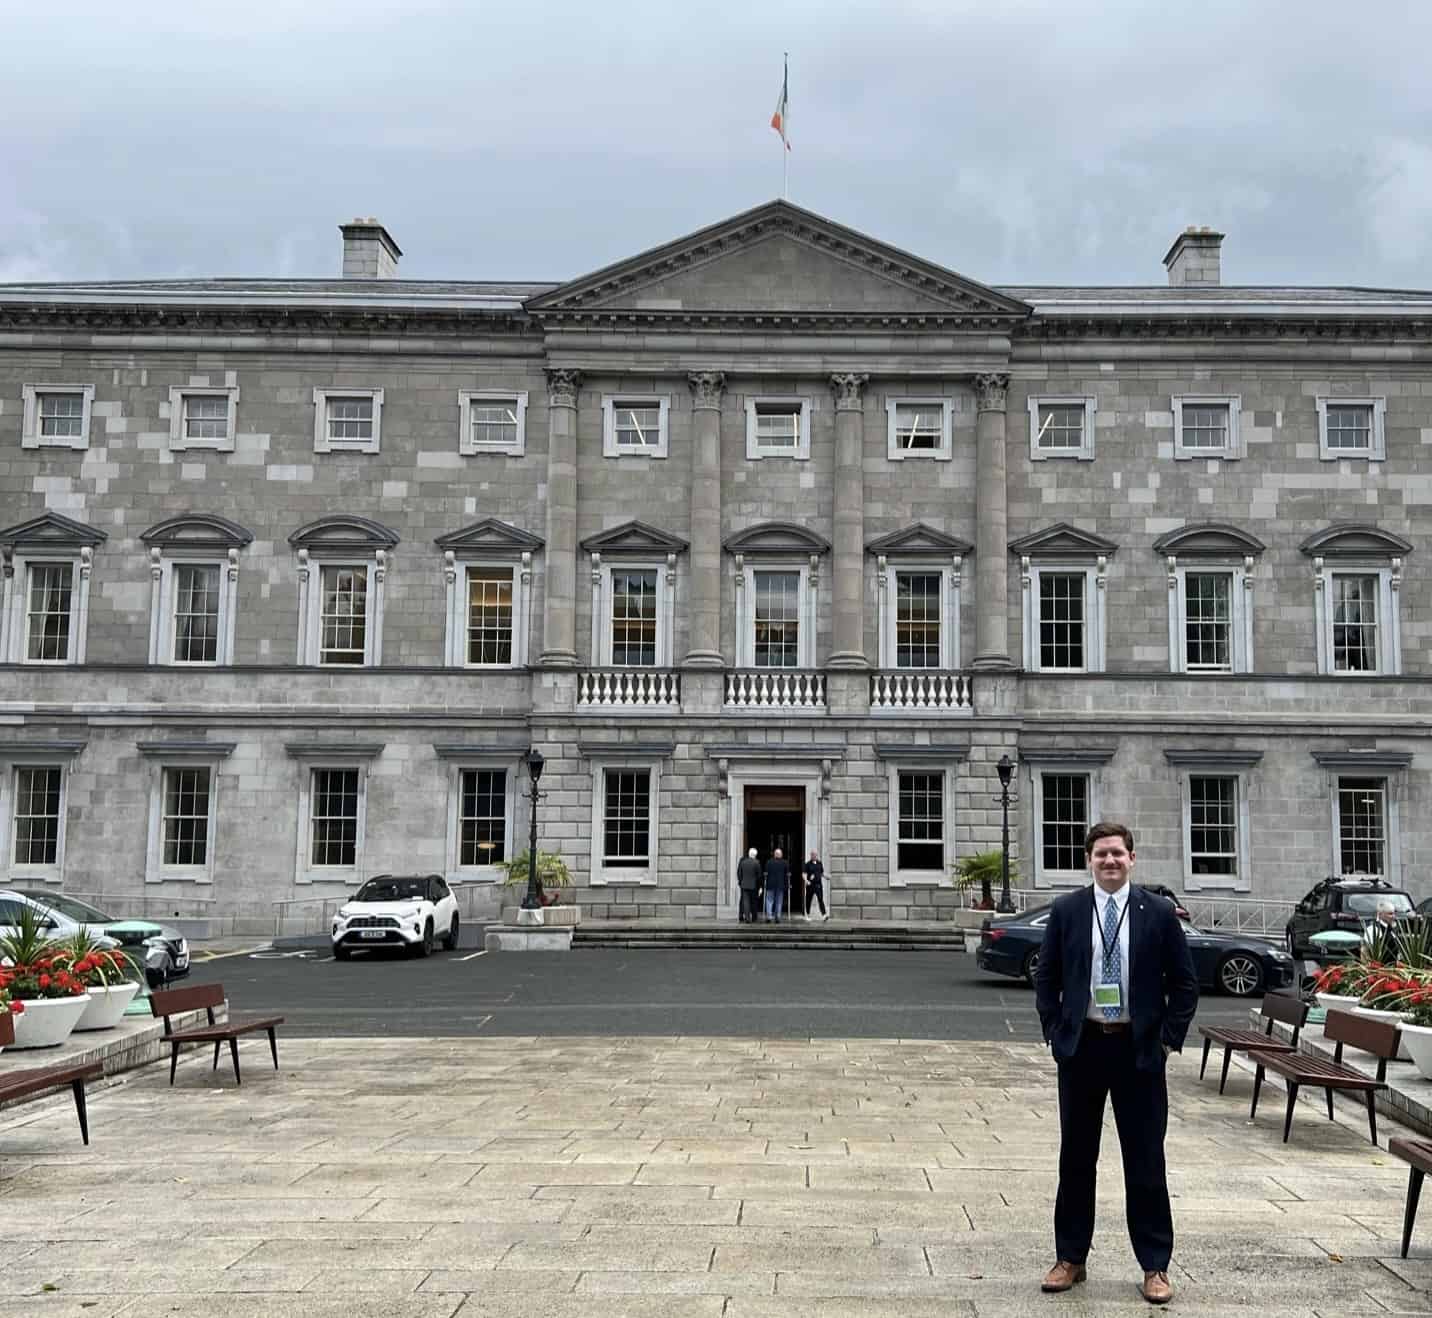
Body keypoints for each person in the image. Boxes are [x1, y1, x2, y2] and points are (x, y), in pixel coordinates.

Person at [1033, 822, 1199, 1306]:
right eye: (1101, 854)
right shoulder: (1068, 910)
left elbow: (1184, 985)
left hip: (1139, 1051)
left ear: (1132, 859)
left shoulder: (1158, 912)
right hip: (1083, 1048)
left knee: (1146, 1160)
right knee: (1076, 1158)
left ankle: (1154, 1266)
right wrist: (1054, 1031)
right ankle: (1070, 1258)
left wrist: (1167, 1041)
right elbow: (1048, 977)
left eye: (1118, 854)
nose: (1110, 861)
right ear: (1089, 859)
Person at [736, 847, 762, 924]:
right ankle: (754, 917)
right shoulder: (757, 863)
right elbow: (759, 876)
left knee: (745, 902)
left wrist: (741, 882)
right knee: (753, 901)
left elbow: (739, 874)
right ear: (755, 855)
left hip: (744, 885)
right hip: (753, 885)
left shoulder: (743, 862)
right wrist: (760, 886)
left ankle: (747, 918)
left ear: (749, 854)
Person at [763, 848, 789, 923]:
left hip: (770, 884)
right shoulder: (785, 862)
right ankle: (777, 916)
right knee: (779, 901)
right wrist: (787, 885)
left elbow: (765, 873)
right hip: (780, 885)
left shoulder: (769, 862)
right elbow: (786, 875)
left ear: (774, 854)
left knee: (769, 900)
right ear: (781, 855)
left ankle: (769, 916)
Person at [803, 850, 827, 919]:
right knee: (808, 900)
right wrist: (806, 880)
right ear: (811, 855)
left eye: (815, 855)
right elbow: (804, 874)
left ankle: (824, 915)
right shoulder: (807, 864)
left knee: (820, 899)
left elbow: (821, 873)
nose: (814, 856)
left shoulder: (819, 863)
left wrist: (826, 877)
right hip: (810, 885)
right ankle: (807, 914)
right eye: (813, 855)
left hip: (818, 885)